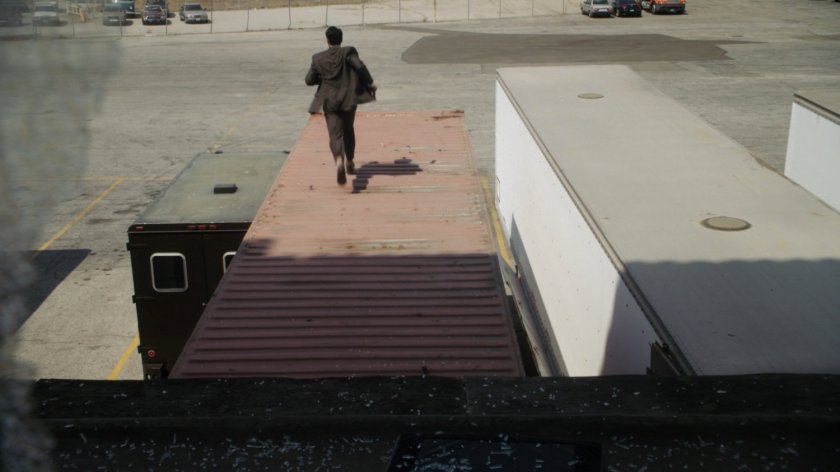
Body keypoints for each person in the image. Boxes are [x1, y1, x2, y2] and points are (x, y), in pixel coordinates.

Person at [305, 26, 376, 185]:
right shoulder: (348, 52)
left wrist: (323, 76)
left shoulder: (318, 58)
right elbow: (360, 67)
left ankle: (339, 160)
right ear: (341, 39)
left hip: (330, 101)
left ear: (327, 40)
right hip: (348, 99)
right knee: (348, 130)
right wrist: (369, 82)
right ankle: (350, 162)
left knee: (335, 135)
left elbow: (309, 80)